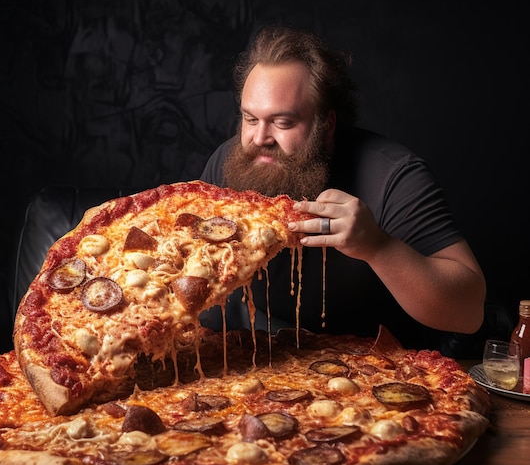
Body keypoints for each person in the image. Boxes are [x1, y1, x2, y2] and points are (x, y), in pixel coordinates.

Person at [199, 25, 486, 351]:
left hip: (380, 363)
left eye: (283, 123)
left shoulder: (394, 176)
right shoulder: (231, 161)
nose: (260, 138)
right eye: (250, 119)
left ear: (327, 124)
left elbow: (468, 312)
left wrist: (378, 247)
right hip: (264, 355)